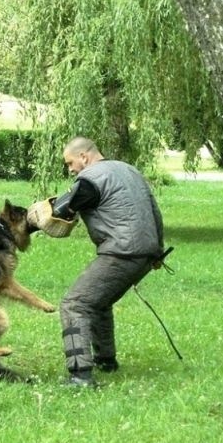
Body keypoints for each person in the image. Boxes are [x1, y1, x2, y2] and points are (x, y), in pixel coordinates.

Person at [50, 136, 164, 388]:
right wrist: (158, 252)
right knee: (98, 301)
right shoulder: (128, 170)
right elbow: (154, 211)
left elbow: (62, 210)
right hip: (147, 252)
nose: (70, 169)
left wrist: (32, 221)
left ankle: (80, 376)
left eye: (70, 163)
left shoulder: (89, 179)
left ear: (84, 157)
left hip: (122, 252)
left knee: (75, 304)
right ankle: (106, 361)